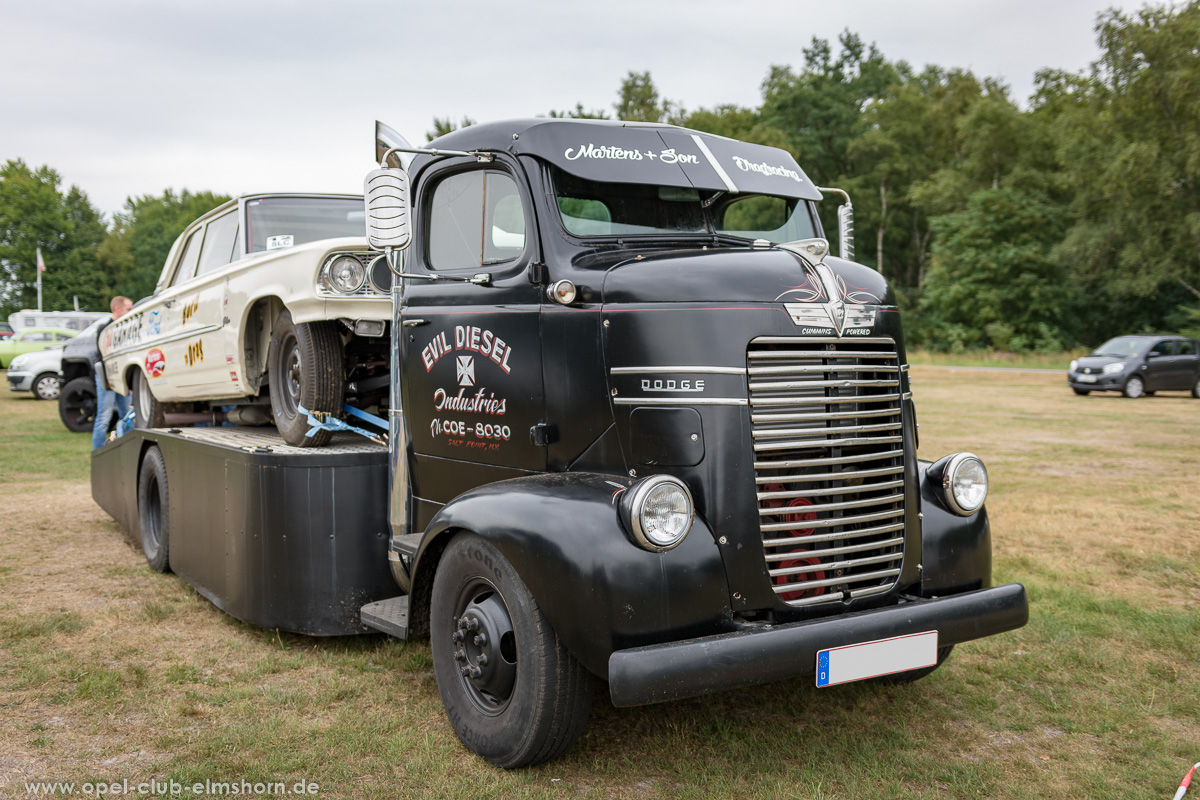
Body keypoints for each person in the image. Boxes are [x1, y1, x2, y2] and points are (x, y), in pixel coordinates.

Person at [92, 296, 134, 449]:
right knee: (104, 417)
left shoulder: (129, 328)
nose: (131, 311)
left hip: (122, 378)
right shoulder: (105, 329)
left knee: (128, 415)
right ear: (118, 308)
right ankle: (99, 451)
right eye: (129, 308)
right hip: (107, 378)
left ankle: (131, 447)